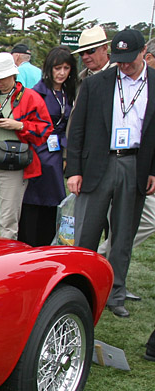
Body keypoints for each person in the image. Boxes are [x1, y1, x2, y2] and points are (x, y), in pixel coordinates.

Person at [66, 29, 155, 318]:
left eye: (130, 59)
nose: (124, 65)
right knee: (86, 231)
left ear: (144, 53)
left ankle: (115, 292)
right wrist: (74, 170)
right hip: (97, 165)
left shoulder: (153, 83)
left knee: (124, 232)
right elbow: (77, 130)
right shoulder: (96, 84)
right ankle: (77, 289)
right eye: (119, 60)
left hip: (135, 163)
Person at [0, 53, 52, 240]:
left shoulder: (31, 98)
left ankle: (6, 263)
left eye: (3, 78)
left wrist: (20, 126)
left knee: (9, 221)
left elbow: (45, 130)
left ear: (13, 75)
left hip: (14, 164)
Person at [18, 47, 77, 246]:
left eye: (66, 68)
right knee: (33, 198)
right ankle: (28, 243)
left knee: (54, 201)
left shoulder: (69, 92)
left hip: (58, 151)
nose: (61, 73)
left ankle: (47, 243)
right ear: (49, 69)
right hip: (39, 149)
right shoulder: (37, 92)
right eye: (57, 68)